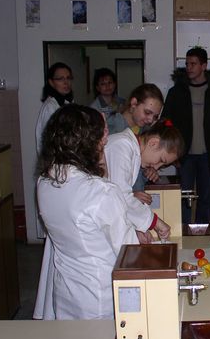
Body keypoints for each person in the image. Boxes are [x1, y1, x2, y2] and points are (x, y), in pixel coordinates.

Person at [35, 104, 137, 320]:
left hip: (65, 293)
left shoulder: (45, 182)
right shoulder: (101, 193)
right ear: (90, 144)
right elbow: (130, 253)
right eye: (102, 140)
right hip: (101, 297)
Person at [163, 47, 210, 223]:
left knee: (205, 198)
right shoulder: (176, 92)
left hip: (208, 156)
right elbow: (166, 122)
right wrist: (173, 152)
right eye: (187, 64)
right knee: (184, 197)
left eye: (193, 64)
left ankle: (201, 232)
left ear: (204, 66)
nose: (189, 67)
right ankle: (183, 230)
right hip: (184, 155)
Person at [104, 118, 185, 242]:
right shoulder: (121, 146)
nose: (156, 167)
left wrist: (138, 228)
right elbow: (121, 197)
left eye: (162, 165)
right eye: (161, 160)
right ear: (153, 143)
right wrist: (155, 222)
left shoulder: (131, 150)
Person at [110, 84, 165, 200]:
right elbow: (106, 176)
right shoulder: (112, 130)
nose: (150, 120)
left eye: (155, 117)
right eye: (147, 112)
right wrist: (129, 196)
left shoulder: (144, 132)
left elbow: (134, 174)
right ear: (134, 103)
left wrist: (147, 171)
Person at [35, 62, 74, 155]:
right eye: (61, 79)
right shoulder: (50, 106)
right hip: (54, 156)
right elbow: (49, 140)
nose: (66, 82)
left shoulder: (67, 102)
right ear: (51, 82)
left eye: (68, 78)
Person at [89, 67, 125, 134]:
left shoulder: (122, 102)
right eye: (103, 84)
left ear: (114, 84)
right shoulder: (94, 108)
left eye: (110, 82)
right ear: (97, 87)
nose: (107, 86)